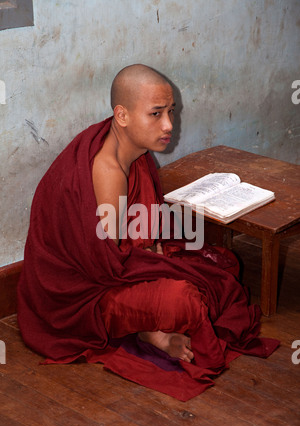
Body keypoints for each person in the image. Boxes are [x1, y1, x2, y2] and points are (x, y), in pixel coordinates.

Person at [17, 64, 279, 400]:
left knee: (220, 264)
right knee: (185, 299)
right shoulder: (107, 170)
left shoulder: (133, 149)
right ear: (122, 115)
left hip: (122, 266)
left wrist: (157, 256)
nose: (169, 125)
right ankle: (150, 332)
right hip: (82, 298)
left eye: (171, 111)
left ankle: (152, 322)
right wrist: (159, 279)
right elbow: (108, 268)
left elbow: (143, 228)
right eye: (155, 114)